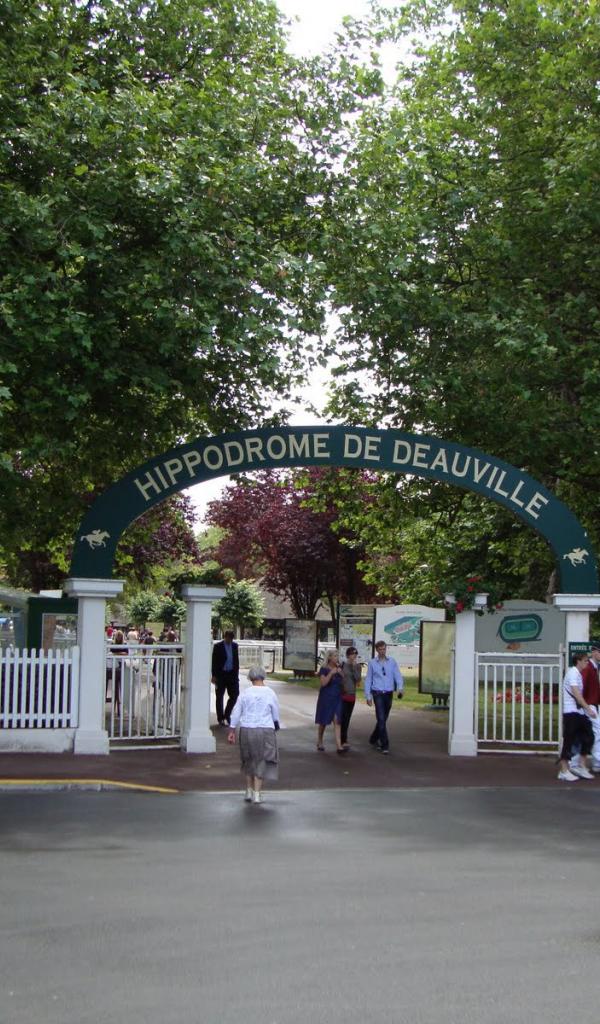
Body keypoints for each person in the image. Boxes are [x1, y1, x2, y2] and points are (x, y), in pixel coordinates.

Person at [228, 666, 280, 804]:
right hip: (265, 728)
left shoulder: (245, 693)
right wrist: (276, 724)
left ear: (250, 678)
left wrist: (232, 730)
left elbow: (236, 712)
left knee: (248, 759)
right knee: (261, 760)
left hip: (247, 728)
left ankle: (248, 790)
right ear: (263, 676)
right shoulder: (270, 693)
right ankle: (257, 793)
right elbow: (275, 712)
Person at [557, 652, 597, 782]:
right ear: (578, 661)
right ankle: (563, 771)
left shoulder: (578, 674)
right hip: (571, 713)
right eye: (585, 661)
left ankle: (581, 765)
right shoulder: (572, 673)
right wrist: (588, 709)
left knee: (589, 736)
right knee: (569, 741)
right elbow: (577, 695)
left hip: (578, 712)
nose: (587, 663)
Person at [364, 640, 404, 755]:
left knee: (383, 719)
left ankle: (373, 738)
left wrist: (400, 688)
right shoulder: (372, 663)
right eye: (380, 649)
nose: (382, 651)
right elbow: (368, 679)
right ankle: (385, 744)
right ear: (377, 650)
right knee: (381, 718)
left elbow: (398, 675)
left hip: (388, 693)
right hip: (378, 693)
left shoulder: (392, 661)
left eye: (384, 649)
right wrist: (368, 696)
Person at [315, 650, 344, 754]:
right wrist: (331, 673)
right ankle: (320, 741)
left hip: (337, 697)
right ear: (330, 657)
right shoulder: (324, 669)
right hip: (326, 697)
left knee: (337, 720)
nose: (337, 658)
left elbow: (343, 682)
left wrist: (341, 673)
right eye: (335, 656)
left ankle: (339, 745)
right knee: (323, 721)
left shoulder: (339, 668)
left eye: (337, 656)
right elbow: (323, 683)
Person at [212, 629, 240, 726]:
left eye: (231, 639)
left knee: (235, 694)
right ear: (225, 637)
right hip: (221, 675)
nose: (230, 640)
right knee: (219, 696)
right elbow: (214, 662)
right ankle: (220, 718)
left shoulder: (235, 646)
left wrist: (236, 674)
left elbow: (236, 661)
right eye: (228, 638)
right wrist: (214, 675)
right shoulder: (218, 646)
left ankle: (227, 714)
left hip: (232, 674)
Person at [340, 646, 361, 750]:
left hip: (352, 694)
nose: (354, 656)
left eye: (355, 654)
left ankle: (344, 738)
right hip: (342, 694)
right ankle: (342, 739)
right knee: (342, 717)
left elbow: (358, 680)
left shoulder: (357, 666)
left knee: (347, 718)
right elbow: (339, 678)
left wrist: (354, 668)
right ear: (348, 655)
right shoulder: (343, 665)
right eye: (352, 654)